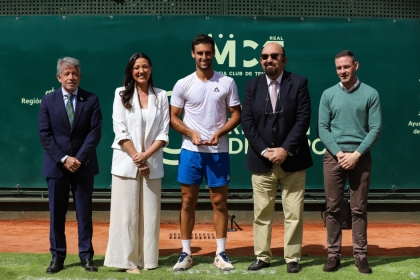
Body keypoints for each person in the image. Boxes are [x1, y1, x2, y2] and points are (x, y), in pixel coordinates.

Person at [170, 34, 241, 271]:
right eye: (199, 53)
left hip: (218, 151)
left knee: (219, 202)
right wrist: (190, 133)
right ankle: (186, 253)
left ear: (213, 53)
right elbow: (173, 118)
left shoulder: (228, 82)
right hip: (191, 152)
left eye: (208, 53)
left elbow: (236, 115)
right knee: (187, 200)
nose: (204, 57)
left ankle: (221, 253)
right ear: (193, 54)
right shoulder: (183, 84)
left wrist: (219, 133)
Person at [241, 42, 313, 273]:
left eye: (273, 56)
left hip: (293, 160)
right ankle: (262, 256)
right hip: (262, 161)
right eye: (264, 57)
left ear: (284, 59)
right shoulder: (252, 86)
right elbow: (247, 122)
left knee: (294, 213)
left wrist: (285, 150)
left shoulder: (299, 83)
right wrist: (264, 150)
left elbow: (303, 120)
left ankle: (292, 257)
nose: (268, 60)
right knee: (262, 213)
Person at [104, 53, 169, 274]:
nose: (141, 71)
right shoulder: (120, 94)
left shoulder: (161, 96)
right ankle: (128, 261)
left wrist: (146, 156)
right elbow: (120, 130)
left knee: (150, 215)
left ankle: (148, 260)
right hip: (126, 163)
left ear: (151, 69)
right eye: (136, 67)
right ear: (131, 71)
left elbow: (163, 132)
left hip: (152, 163)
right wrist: (137, 157)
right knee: (126, 215)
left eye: (145, 67)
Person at [318, 50, 382, 274]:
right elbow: (323, 129)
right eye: (338, 68)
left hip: (360, 158)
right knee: (333, 208)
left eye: (346, 67)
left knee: (358, 208)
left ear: (356, 65)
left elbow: (375, 128)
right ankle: (333, 254)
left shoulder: (371, 93)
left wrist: (356, 154)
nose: (342, 71)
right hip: (333, 158)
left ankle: (361, 255)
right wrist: (338, 153)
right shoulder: (328, 94)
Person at [39, 57, 102, 274]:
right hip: (57, 167)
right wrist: (64, 158)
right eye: (66, 73)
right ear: (59, 77)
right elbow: (45, 135)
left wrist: (79, 158)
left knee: (84, 214)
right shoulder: (48, 101)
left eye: (74, 73)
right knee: (57, 215)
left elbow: (94, 133)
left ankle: (86, 257)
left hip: (83, 167)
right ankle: (58, 257)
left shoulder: (91, 99)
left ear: (80, 76)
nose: (71, 77)